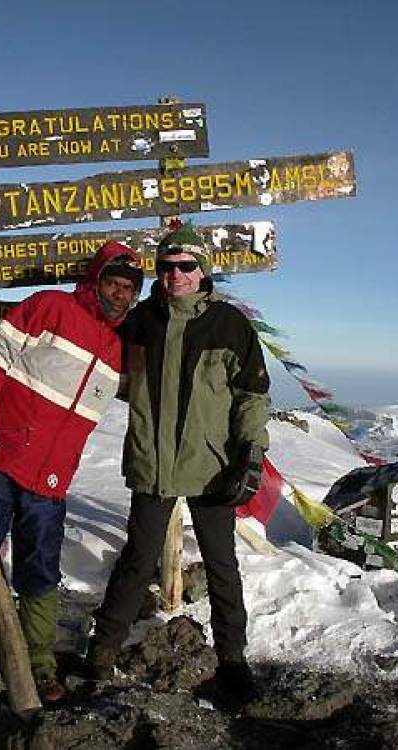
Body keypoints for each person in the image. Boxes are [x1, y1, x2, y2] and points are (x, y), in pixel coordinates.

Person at [0, 240, 144, 704]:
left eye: (130, 289)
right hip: (0, 457)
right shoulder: (51, 306)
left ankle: (42, 664)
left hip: (51, 478)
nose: (121, 295)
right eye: (114, 283)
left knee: (41, 568)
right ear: (96, 280)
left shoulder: (116, 348)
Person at [87, 221, 270, 700]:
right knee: (137, 559)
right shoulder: (141, 320)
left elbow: (252, 394)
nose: (176, 274)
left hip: (213, 466)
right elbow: (103, 357)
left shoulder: (230, 325)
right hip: (153, 463)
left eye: (186, 265)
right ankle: (101, 653)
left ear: (202, 270)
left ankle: (233, 660)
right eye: (167, 266)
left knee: (221, 563)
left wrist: (251, 454)